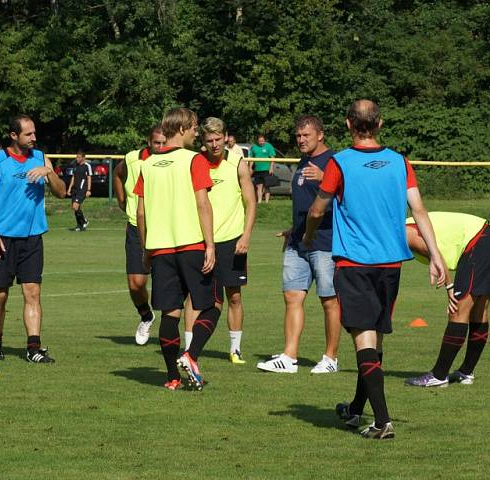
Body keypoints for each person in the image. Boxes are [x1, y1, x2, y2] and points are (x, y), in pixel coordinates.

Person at [303, 99, 446, 440]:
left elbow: (318, 210)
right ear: (380, 123)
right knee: (373, 342)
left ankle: (382, 421)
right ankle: (355, 410)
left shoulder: (340, 163)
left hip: (354, 265)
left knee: (363, 339)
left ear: (348, 123)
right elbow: (420, 210)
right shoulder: (400, 162)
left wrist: (308, 235)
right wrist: (436, 255)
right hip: (391, 266)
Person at [134, 107, 219, 391]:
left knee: (171, 314)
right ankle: (191, 356)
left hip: (160, 249)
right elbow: (202, 204)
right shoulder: (194, 159)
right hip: (192, 244)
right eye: (194, 127)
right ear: (182, 128)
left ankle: (172, 377)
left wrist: (146, 249)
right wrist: (210, 245)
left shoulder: (147, 164)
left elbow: (141, 213)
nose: (197, 132)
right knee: (213, 304)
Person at [257, 115, 341, 374]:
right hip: (298, 242)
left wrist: (327, 177)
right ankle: (289, 357)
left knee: (329, 300)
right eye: (298, 136)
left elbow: (350, 197)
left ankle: (330, 359)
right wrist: (293, 230)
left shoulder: (335, 162)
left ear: (320, 135)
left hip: (325, 242)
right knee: (292, 296)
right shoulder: (303, 162)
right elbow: (306, 204)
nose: (301, 140)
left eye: (306, 135)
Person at [0, 114, 67, 363]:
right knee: (0, 296)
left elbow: (62, 192)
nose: (34, 137)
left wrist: (48, 173)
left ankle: (34, 348)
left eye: (34, 133)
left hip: (32, 239)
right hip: (3, 239)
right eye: (28, 134)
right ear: (13, 135)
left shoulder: (41, 158)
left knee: (33, 294)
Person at [183, 117, 256, 364]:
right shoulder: (196, 162)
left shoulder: (237, 163)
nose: (214, 144)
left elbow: (251, 202)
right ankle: (190, 350)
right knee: (195, 296)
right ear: (202, 141)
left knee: (234, 296)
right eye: (209, 140)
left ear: (226, 137)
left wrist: (246, 235)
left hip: (233, 242)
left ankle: (235, 349)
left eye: (218, 139)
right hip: (201, 241)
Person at [404, 212, 490, 387]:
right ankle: (466, 372)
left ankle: (439, 375)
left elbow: (436, 257)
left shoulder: (404, 232)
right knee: (479, 311)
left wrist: (450, 289)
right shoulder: (403, 226)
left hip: (478, 242)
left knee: (457, 310)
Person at [112, 125, 165, 345]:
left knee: (168, 284)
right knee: (136, 283)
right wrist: (122, 201)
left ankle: (174, 331)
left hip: (165, 227)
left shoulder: (172, 160)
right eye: (156, 143)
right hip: (136, 226)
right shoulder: (133, 159)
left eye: (164, 143)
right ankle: (146, 316)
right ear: (148, 141)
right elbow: (117, 173)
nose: (160, 147)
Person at [67, 149, 92, 231]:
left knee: (75, 205)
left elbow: (89, 178)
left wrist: (88, 190)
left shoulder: (87, 166)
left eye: (79, 157)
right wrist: (69, 188)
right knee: (75, 208)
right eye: (76, 157)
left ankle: (84, 220)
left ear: (83, 158)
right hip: (75, 189)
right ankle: (79, 225)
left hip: (82, 189)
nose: (77, 159)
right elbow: (73, 177)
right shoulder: (75, 166)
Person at [249, 134, 276, 204]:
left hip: (266, 169)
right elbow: (251, 159)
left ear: (265, 140)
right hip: (257, 170)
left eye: (262, 141)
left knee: (267, 186)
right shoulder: (254, 147)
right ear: (257, 141)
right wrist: (250, 168)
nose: (261, 142)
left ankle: (267, 202)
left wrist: (271, 168)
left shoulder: (269, 146)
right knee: (259, 186)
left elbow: (272, 158)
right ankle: (259, 201)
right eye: (260, 141)